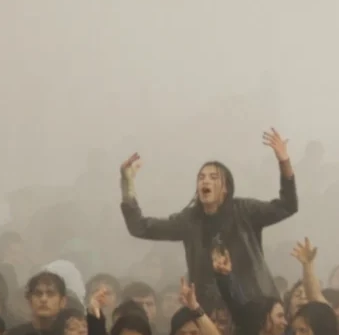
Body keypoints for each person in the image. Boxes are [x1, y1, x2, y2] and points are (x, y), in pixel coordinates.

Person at [119, 129, 298, 305]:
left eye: (213, 177)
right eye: (201, 178)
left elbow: (287, 206)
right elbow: (139, 227)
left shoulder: (245, 211)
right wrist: (127, 184)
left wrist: (284, 161)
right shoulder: (189, 220)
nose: (205, 181)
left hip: (252, 305)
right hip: (208, 311)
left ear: (226, 188)